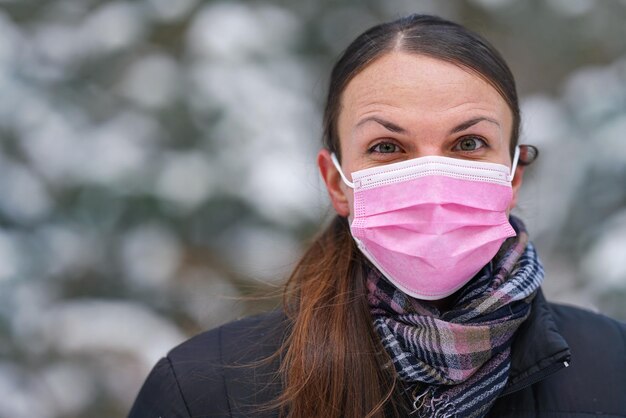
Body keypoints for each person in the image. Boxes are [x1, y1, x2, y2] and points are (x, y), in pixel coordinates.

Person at [128, 14, 626, 418]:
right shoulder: (205, 389)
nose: (431, 178)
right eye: (387, 146)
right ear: (336, 181)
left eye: (469, 143)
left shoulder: (612, 364)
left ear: (512, 176)